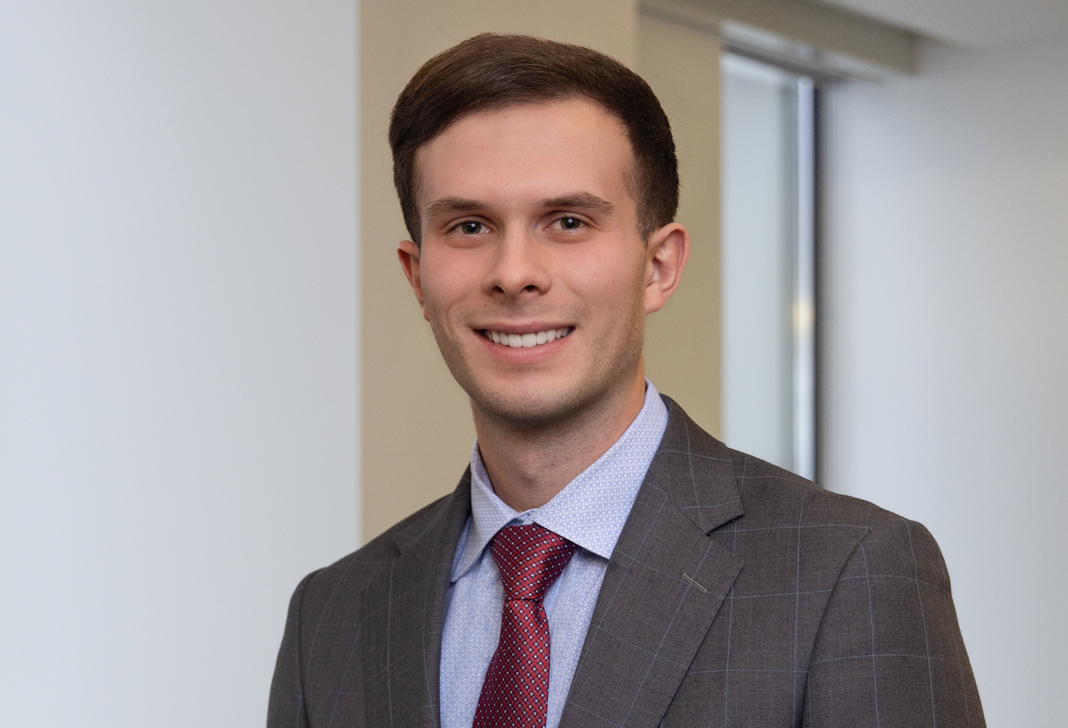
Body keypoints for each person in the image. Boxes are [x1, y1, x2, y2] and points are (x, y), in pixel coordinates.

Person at [268, 33, 984, 728]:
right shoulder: (331, 616)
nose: (514, 273)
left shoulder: (849, 572)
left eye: (567, 221)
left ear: (658, 267)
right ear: (417, 275)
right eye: (469, 227)